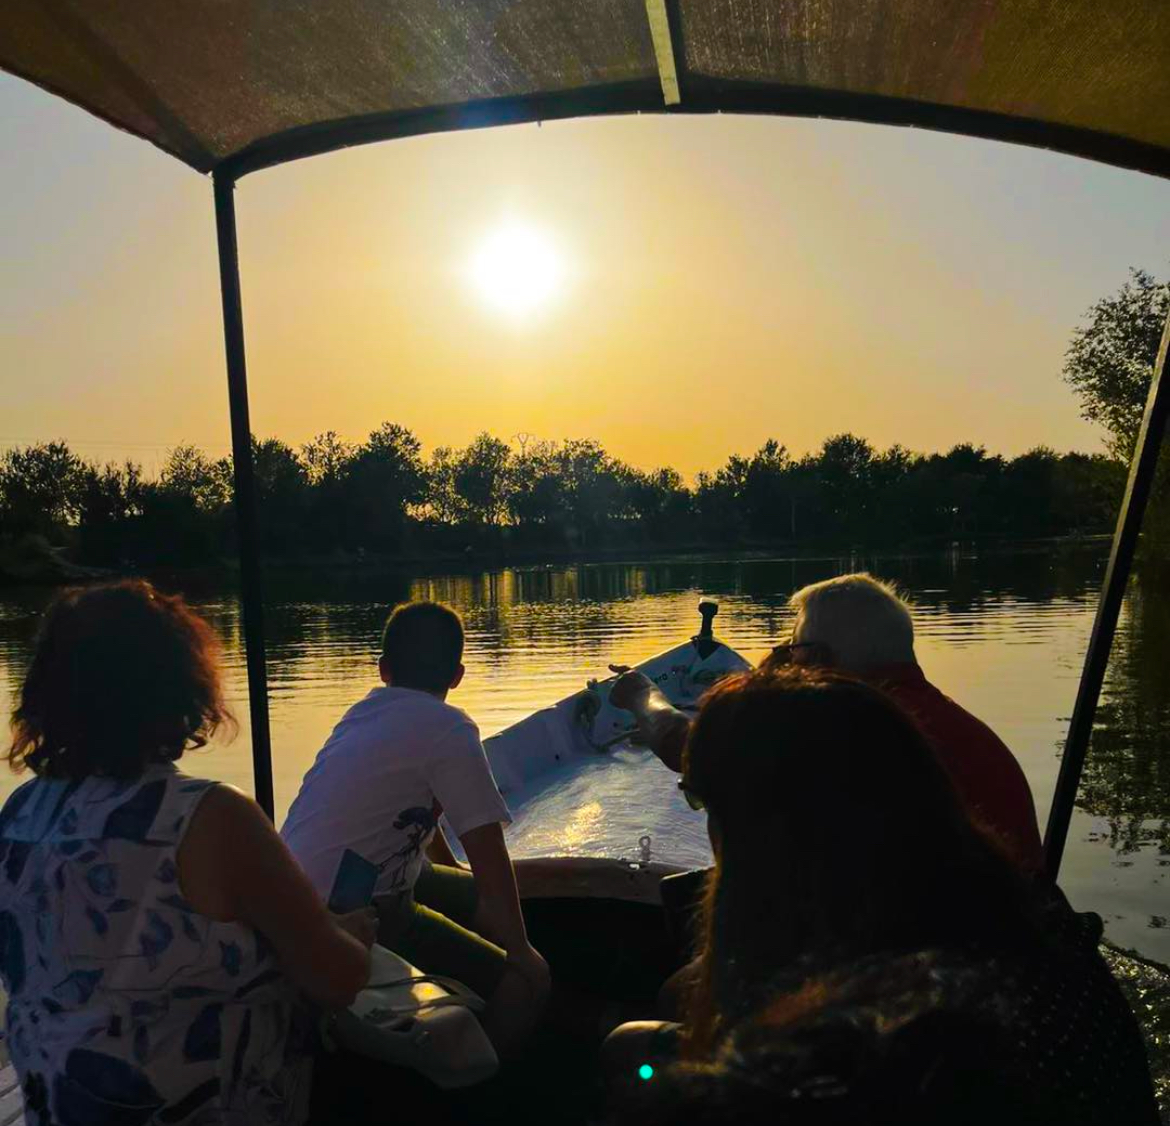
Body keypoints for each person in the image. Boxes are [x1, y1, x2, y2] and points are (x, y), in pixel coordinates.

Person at [603, 668, 1158, 1125]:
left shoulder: (857, 1053)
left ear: (768, 838)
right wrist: (645, 698)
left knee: (629, 1051)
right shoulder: (1032, 921)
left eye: (705, 806)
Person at [0, 581, 374, 1126]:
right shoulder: (208, 818)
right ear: (178, 688)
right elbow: (337, 979)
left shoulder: (19, 816)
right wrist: (354, 938)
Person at [612, 572, 1043, 871]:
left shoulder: (835, 731)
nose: (786, 659)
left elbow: (685, 747)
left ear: (818, 658)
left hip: (910, 969)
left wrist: (640, 694)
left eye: (793, 649)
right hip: (1010, 957)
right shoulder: (967, 732)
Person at [281, 600, 549, 1058]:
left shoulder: (363, 713)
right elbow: (490, 857)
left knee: (456, 892)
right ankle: (484, 1091)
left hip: (293, 893)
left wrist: (455, 884)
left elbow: (420, 815)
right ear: (457, 676)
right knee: (523, 986)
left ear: (383, 670)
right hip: (359, 909)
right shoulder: (449, 728)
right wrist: (522, 952)